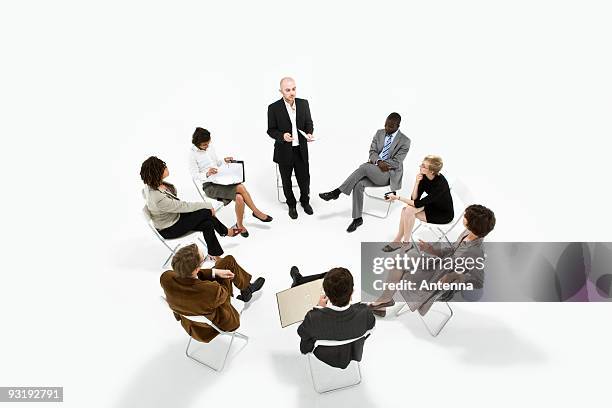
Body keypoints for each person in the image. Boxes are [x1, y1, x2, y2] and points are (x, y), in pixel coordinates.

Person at [368, 204, 496, 317]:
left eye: (466, 216)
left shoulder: (476, 252)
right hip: (438, 266)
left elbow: (478, 282)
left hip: (438, 281)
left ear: (473, 224)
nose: (463, 216)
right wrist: (431, 250)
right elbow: (452, 250)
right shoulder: (467, 233)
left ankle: (384, 301)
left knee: (401, 265)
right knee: (400, 259)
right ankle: (384, 301)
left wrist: (454, 276)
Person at [319, 113, 411, 232]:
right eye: (386, 125)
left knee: (364, 167)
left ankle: (337, 192)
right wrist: (378, 161)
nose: (387, 128)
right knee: (358, 185)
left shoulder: (405, 141)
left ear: (398, 126)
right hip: (375, 168)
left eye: (391, 126)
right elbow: (372, 152)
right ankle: (357, 219)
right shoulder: (379, 133)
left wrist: (382, 164)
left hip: (388, 175)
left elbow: (397, 162)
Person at [160, 244, 265, 343]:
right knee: (227, 270)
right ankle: (246, 289)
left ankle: (246, 289)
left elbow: (192, 275)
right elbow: (225, 293)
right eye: (204, 260)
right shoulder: (211, 290)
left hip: (192, 325)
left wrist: (215, 272)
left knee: (228, 260)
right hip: (214, 325)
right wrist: (221, 277)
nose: (205, 260)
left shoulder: (166, 278)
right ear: (196, 269)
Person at [141, 156, 239, 260]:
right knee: (206, 212)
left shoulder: (152, 185)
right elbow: (182, 206)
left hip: (174, 217)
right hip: (169, 228)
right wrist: (208, 206)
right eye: (163, 167)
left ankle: (214, 254)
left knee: (207, 223)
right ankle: (226, 232)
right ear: (157, 173)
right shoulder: (157, 198)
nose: (166, 167)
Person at [189, 127, 273, 238]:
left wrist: (224, 161)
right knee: (241, 187)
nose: (207, 146)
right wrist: (207, 173)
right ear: (197, 143)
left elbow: (216, 163)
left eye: (208, 144)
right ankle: (256, 212)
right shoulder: (192, 154)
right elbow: (194, 175)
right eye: (204, 145)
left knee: (239, 198)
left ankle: (240, 224)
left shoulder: (210, 148)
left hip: (220, 180)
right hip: (209, 186)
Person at [292, 267, 376, 369]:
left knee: (307, 336)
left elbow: (301, 332)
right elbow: (370, 327)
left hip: (323, 354)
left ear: (326, 294)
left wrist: (318, 308)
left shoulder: (313, 318)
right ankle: (298, 279)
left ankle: (298, 280)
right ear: (352, 292)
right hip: (352, 351)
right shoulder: (365, 312)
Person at [381, 155, 453, 252]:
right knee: (406, 210)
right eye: (421, 164)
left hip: (443, 214)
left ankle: (404, 243)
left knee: (407, 211)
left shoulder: (440, 185)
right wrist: (417, 182)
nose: (420, 167)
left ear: (431, 171)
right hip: (432, 205)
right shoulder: (423, 176)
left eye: (423, 166)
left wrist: (397, 198)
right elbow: (414, 198)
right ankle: (400, 241)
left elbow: (417, 204)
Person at [267, 77, 314, 219]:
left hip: (301, 150)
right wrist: (282, 136)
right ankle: (291, 205)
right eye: (288, 90)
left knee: (304, 179)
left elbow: (308, 122)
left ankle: (305, 202)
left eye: (294, 89)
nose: (292, 92)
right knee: (286, 180)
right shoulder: (273, 108)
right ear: (281, 91)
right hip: (284, 151)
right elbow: (271, 130)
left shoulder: (303, 103)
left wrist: (309, 133)